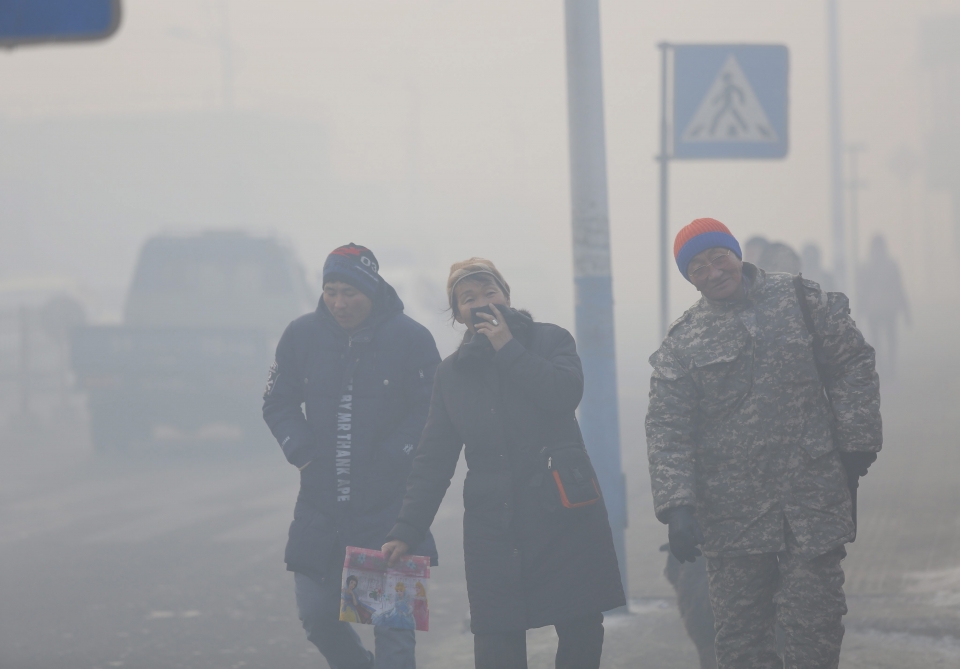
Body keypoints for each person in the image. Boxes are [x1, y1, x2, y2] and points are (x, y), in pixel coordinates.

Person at [646, 219, 882, 669]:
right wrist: (677, 506)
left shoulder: (800, 299)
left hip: (810, 505)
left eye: (718, 257)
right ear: (689, 279)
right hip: (733, 519)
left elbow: (852, 361)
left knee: (814, 636)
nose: (713, 272)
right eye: (698, 268)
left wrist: (857, 442)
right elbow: (667, 427)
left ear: (737, 254)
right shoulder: (684, 342)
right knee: (739, 645)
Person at [381, 258, 625, 669]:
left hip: (562, 513)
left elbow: (563, 394)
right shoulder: (453, 374)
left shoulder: (551, 340)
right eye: (468, 298)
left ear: (507, 296)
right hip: (494, 527)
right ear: (458, 314)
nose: (481, 303)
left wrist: (507, 347)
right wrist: (407, 529)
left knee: (581, 630)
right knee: (496, 642)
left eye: (489, 292)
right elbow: (433, 459)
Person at [263, 243, 441, 669]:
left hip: (388, 511)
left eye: (350, 292)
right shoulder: (301, 335)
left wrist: (395, 456)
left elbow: (432, 410)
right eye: (331, 291)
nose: (340, 303)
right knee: (316, 617)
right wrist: (301, 450)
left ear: (373, 290)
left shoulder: (411, 338)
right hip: (319, 506)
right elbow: (277, 401)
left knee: (393, 633)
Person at [856, 235, 911, 378]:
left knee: (885, 340)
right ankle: (885, 367)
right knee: (883, 340)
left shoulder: (874, 266)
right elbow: (863, 291)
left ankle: (888, 367)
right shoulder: (884, 266)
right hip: (880, 309)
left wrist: (906, 311)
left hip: (883, 309)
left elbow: (898, 288)